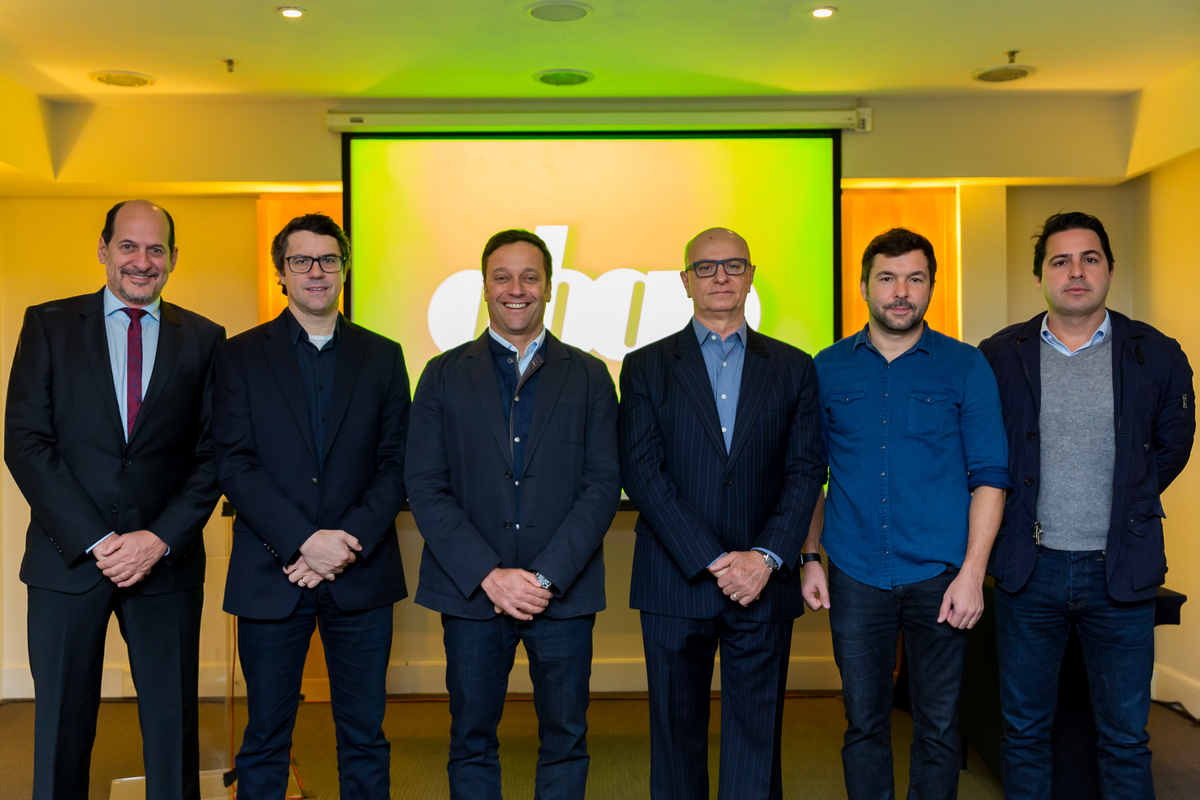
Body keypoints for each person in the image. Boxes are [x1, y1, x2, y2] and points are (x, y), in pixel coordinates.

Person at [4, 200, 224, 800]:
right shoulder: (47, 325)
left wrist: (157, 539)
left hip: (165, 563)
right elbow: (26, 443)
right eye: (128, 246)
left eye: (156, 249)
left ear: (173, 258)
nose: (141, 261)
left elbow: (213, 456)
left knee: (172, 729)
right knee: (60, 727)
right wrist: (99, 540)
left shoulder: (205, 339)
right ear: (103, 249)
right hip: (67, 561)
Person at [979, 211, 1194, 799]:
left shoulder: (1157, 353)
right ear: (1040, 276)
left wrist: (1128, 501)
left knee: (1125, 738)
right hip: (1029, 570)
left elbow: (1172, 446)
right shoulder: (998, 355)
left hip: (1119, 569)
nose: (1076, 272)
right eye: (1060, 261)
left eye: (1089, 259)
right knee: (1024, 733)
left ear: (1109, 270)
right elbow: (983, 453)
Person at [406, 228, 620, 800]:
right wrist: (490, 575)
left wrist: (544, 577)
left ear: (549, 287)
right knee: (471, 740)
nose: (516, 289)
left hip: (563, 594)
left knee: (566, 739)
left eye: (530, 277)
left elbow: (603, 485)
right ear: (484, 287)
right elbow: (425, 486)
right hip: (473, 595)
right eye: (502, 277)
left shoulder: (590, 375)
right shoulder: (441, 375)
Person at [801, 227, 1009, 800]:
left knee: (938, 728)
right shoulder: (827, 367)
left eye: (915, 279)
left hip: (941, 577)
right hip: (854, 572)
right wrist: (810, 556)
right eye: (887, 279)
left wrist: (973, 574)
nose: (900, 292)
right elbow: (810, 474)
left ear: (931, 286)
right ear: (864, 286)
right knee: (863, 724)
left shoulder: (965, 366)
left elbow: (991, 477)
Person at [617, 227, 824, 800]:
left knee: (757, 742)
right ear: (686, 281)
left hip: (764, 582)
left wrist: (763, 559)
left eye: (733, 265)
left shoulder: (794, 367)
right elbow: (642, 473)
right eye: (705, 268)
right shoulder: (645, 366)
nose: (721, 277)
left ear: (751, 275)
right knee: (675, 739)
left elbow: (806, 469)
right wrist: (715, 560)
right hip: (674, 579)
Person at [213, 213, 410, 799]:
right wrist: (305, 541)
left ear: (344, 269)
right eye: (301, 260)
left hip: (361, 572)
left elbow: (398, 463)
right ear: (281, 272)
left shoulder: (383, 355)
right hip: (272, 573)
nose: (316, 271)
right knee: (265, 737)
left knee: (365, 736)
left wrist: (342, 545)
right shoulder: (239, 356)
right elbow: (234, 463)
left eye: (328, 259)